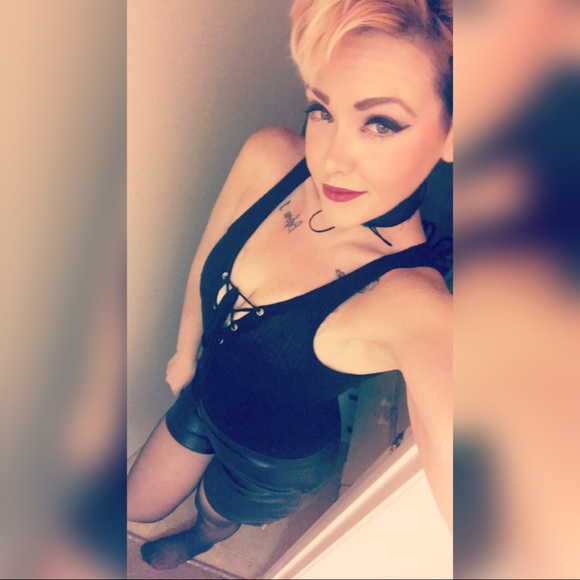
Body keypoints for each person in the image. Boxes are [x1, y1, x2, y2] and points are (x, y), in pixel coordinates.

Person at [127, 0, 453, 570]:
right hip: (203, 390)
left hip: (272, 457)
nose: (331, 162)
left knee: (216, 511)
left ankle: (201, 538)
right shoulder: (271, 156)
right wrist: (184, 351)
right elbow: (207, 257)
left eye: (380, 123)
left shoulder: (410, 300)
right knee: (136, 504)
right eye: (322, 110)